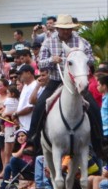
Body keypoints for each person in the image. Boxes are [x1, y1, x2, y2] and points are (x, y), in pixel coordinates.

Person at [26, 15, 103, 161]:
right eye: (63, 29)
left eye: (69, 29)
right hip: (56, 80)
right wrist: (51, 60)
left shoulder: (81, 42)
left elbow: (91, 60)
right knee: (40, 106)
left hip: (76, 82)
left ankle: (100, 143)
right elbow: (40, 63)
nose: (66, 32)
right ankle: (32, 141)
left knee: (93, 107)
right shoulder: (49, 42)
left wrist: (80, 57)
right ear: (57, 28)